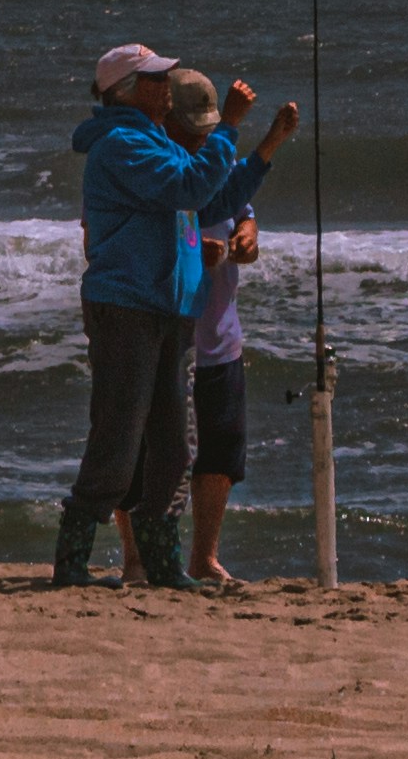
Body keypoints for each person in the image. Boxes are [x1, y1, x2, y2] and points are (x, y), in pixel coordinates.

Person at [63, 46, 292, 588]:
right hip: (128, 308)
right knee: (118, 443)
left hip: (169, 309)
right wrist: (229, 126)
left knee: (174, 446)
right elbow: (187, 186)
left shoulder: (155, 138)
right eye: (155, 77)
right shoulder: (122, 146)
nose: (167, 82)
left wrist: (261, 150)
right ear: (127, 89)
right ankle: (72, 561)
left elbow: (212, 194)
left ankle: (164, 561)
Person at [183, 205, 261, 585]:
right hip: (166, 336)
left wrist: (248, 234)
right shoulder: (149, 151)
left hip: (220, 336)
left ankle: (204, 558)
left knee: (222, 449)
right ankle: (136, 560)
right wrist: (190, 251)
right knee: (145, 452)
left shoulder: (222, 160)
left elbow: (245, 213)